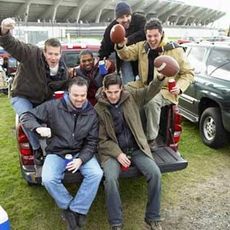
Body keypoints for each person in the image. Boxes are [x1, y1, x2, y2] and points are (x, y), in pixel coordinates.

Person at [20, 77, 103, 230]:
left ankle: (77, 209)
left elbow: (92, 142)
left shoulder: (92, 113)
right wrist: (37, 128)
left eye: (82, 95)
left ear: (86, 94)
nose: (79, 99)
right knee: (48, 179)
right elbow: (26, 116)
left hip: (80, 152)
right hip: (56, 152)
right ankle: (68, 206)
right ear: (68, 93)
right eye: (75, 95)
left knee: (96, 174)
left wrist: (81, 160)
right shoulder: (53, 107)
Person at [95, 73, 166, 230]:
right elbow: (102, 140)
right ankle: (116, 222)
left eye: (116, 91)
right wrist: (118, 154)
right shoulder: (99, 108)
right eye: (109, 92)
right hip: (113, 152)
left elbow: (150, 91)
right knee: (111, 179)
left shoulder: (131, 96)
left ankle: (152, 217)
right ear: (104, 90)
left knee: (155, 174)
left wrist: (159, 78)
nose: (113, 96)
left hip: (136, 148)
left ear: (121, 89)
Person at [116, 18, 194, 150]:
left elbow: (188, 73)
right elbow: (125, 55)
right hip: (144, 85)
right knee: (121, 92)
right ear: (146, 35)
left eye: (155, 35)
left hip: (164, 89)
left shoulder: (175, 50)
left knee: (151, 101)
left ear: (162, 33)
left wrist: (179, 88)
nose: (152, 39)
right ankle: (130, 130)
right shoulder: (142, 46)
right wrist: (120, 45)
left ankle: (151, 138)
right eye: (149, 35)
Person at [0, 18, 68, 162]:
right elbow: (12, 45)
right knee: (26, 117)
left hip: (42, 100)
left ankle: (56, 148)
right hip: (22, 95)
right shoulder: (31, 53)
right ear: (44, 52)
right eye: (50, 53)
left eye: (56, 54)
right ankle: (36, 148)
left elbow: (66, 88)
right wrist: (5, 31)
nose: (53, 58)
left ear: (60, 54)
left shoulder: (63, 70)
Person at [98, 1, 146, 84]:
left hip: (142, 55)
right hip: (125, 59)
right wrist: (103, 59)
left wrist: (128, 40)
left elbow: (144, 32)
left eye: (127, 16)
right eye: (121, 17)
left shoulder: (140, 20)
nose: (125, 20)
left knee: (144, 81)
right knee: (128, 83)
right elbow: (105, 47)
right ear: (116, 19)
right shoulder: (112, 28)